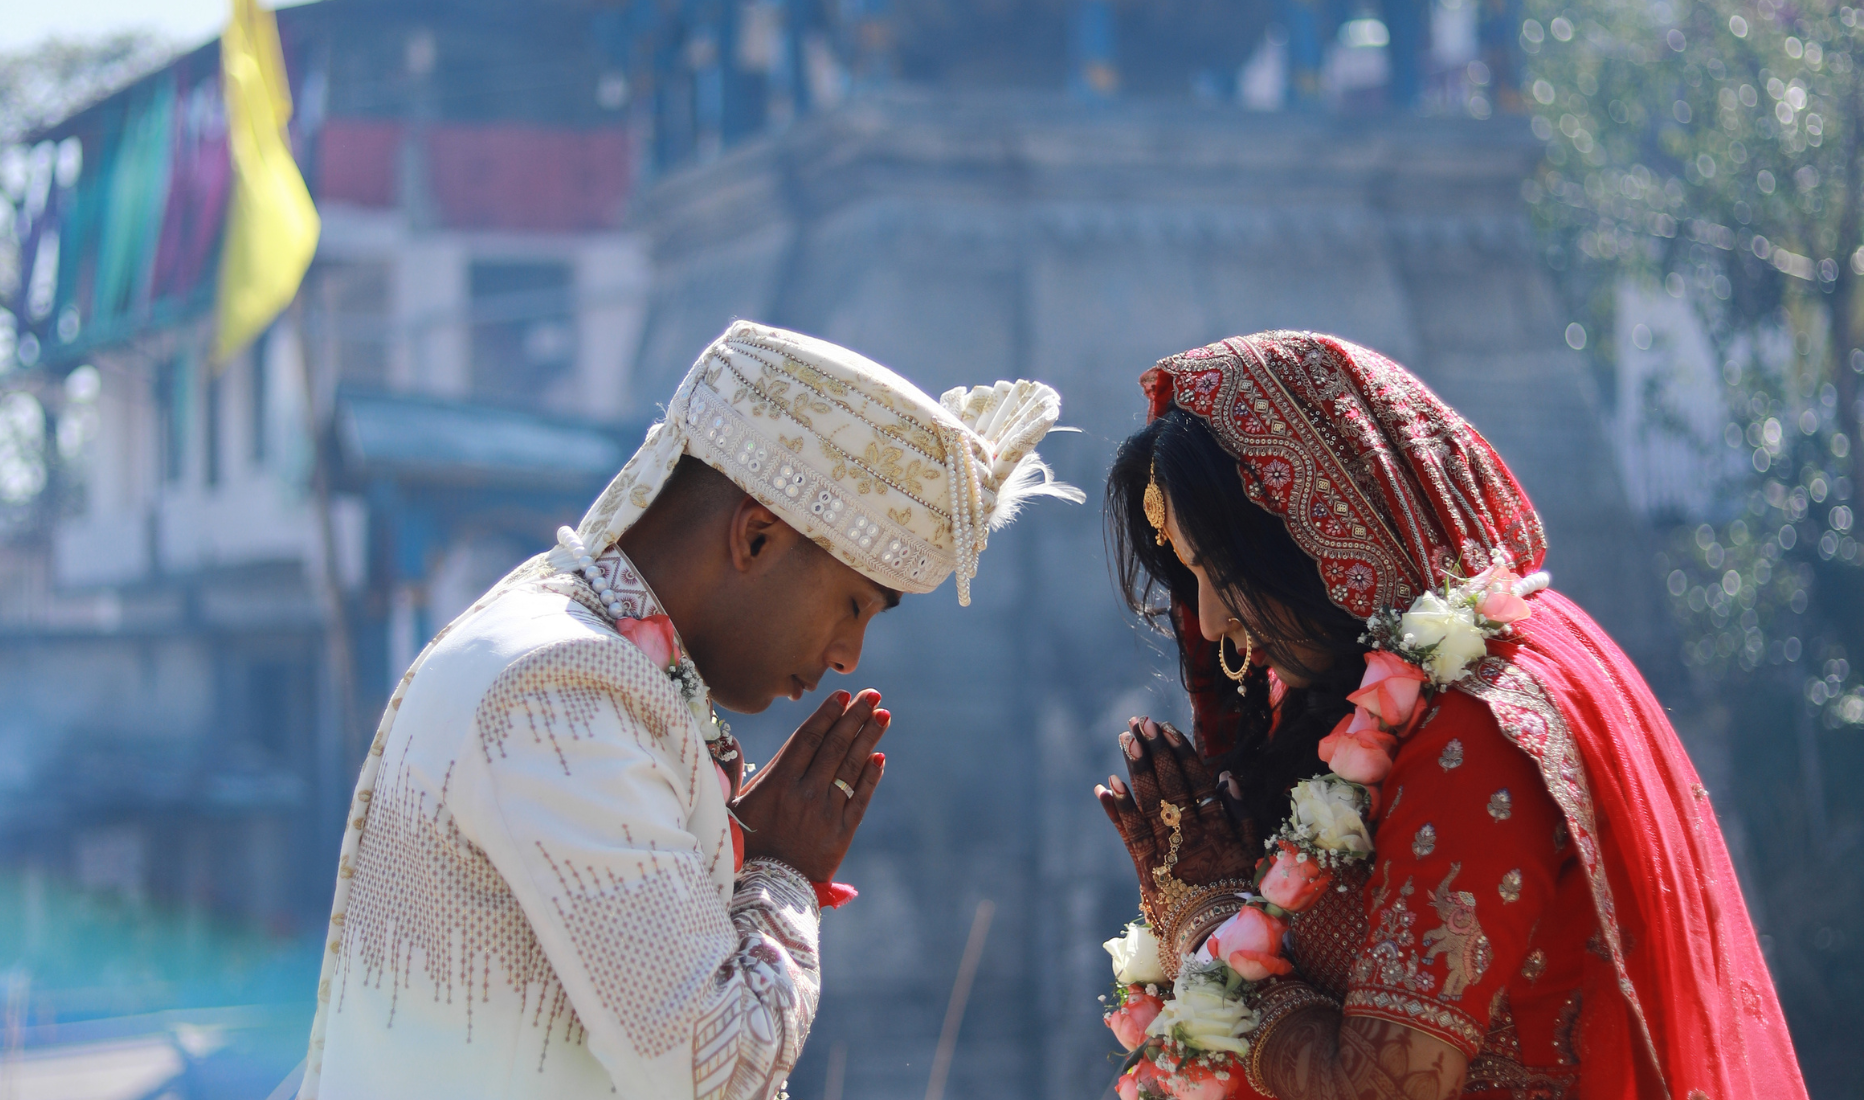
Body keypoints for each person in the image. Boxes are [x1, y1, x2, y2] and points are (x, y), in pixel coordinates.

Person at [296, 320, 1080, 1100]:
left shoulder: (561, 645)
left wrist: (738, 858)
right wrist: (782, 876)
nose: (849, 654)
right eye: (853, 604)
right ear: (758, 537)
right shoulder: (564, 688)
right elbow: (716, 1072)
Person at [1094, 331, 1806, 1100]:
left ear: (1318, 533)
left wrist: (1205, 922)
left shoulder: (1476, 725)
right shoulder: (1333, 708)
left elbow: (1386, 1086)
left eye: (1225, 573)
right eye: (1194, 576)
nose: (1208, 622)